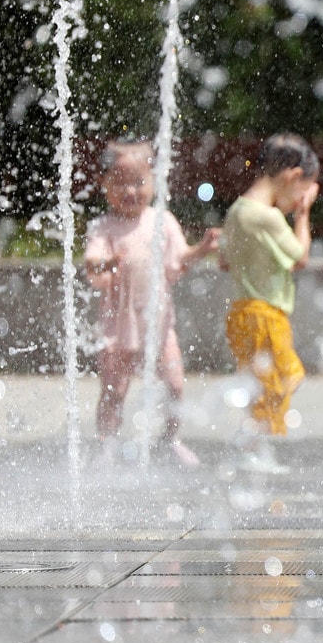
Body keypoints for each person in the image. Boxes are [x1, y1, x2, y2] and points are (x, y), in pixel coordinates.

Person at [84, 139, 219, 467]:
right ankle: (108, 444)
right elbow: (92, 263)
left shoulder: (162, 220)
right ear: (105, 187)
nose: (130, 191)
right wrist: (107, 262)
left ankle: (170, 439)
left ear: (154, 181)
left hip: (159, 327)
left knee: (175, 385)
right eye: (120, 184)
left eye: (139, 182)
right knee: (114, 391)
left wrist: (200, 249)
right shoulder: (104, 227)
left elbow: (178, 261)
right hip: (119, 328)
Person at [219, 134, 320, 475]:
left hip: (243, 313)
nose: (297, 202)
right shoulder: (268, 217)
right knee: (285, 377)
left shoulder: (236, 212)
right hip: (264, 314)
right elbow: (300, 257)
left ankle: (256, 447)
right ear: (292, 176)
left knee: (263, 384)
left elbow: (224, 262)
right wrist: (303, 216)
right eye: (301, 192)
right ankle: (249, 446)